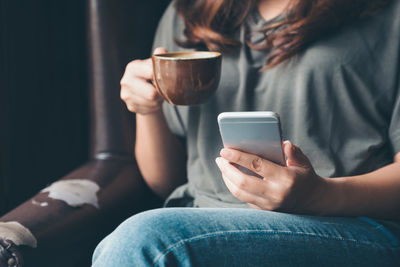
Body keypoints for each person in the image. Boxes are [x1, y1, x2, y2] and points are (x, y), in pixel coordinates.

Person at [92, 0, 400, 266]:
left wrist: (321, 195)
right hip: (197, 222)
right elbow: (167, 181)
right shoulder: (188, 12)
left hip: (345, 227)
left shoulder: (386, 14)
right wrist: (147, 111)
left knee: (144, 241)